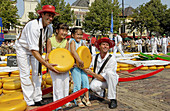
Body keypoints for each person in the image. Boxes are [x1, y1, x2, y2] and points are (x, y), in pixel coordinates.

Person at [15, 5, 59, 106]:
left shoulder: (49, 28)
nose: (51, 18)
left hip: (36, 49)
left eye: (52, 16)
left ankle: (37, 97)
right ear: (42, 15)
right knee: (25, 74)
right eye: (48, 15)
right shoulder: (33, 26)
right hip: (23, 48)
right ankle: (29, 100)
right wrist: (47, 65)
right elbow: (33, 50)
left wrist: (48, 54)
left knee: (38, 73)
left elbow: (48, 41)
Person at [83, 37, 119, 109]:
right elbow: (87, 66)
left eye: (107, 45)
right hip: (100, 79)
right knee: (93, 86)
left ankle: (113, 99)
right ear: (99, 46)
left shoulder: (112, 59)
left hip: (110, 81)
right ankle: (101, 93)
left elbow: (103, 78)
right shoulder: (95, 57)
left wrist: (92, 73)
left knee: (110, 73)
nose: (105, 46)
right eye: (103, 44)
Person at [45, 23, 72, 110]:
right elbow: (48, 52)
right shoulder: (50, 40)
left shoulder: (66, 42)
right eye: (62, 30)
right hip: (54, 66)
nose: (64, 33)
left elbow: (67, 54)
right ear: (57, 31)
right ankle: (58, 103)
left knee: (65, 83)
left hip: (64, 66)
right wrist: (47, 63)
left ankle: (66, 100)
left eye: (66, 31)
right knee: (57, 84)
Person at [69, 27, 91, 107]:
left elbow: (85, 52)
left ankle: (86, 97)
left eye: (81, 35)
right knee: (77, 83)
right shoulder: (72, 41)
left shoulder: (82, 42)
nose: (79, 36)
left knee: (85, 80)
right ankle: (77, 98)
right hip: (75, 65)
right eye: (77, 34)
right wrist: (79, 60)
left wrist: (87, 62)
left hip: (82, 65)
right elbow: (73, 52)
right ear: (73, 35)